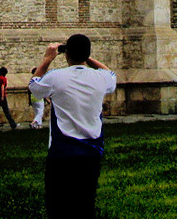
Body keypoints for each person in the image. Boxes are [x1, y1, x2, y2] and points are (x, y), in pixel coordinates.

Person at [28, 34, 117, 219]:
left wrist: (47, 59)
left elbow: (34, 87)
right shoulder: (101, 78)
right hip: (91, 153)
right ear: (87, 54)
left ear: (66, 54)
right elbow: (111, 74)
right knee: (85, 206)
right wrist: (87, 57)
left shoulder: (55, 77)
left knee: (58, 207)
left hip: (62, 153)